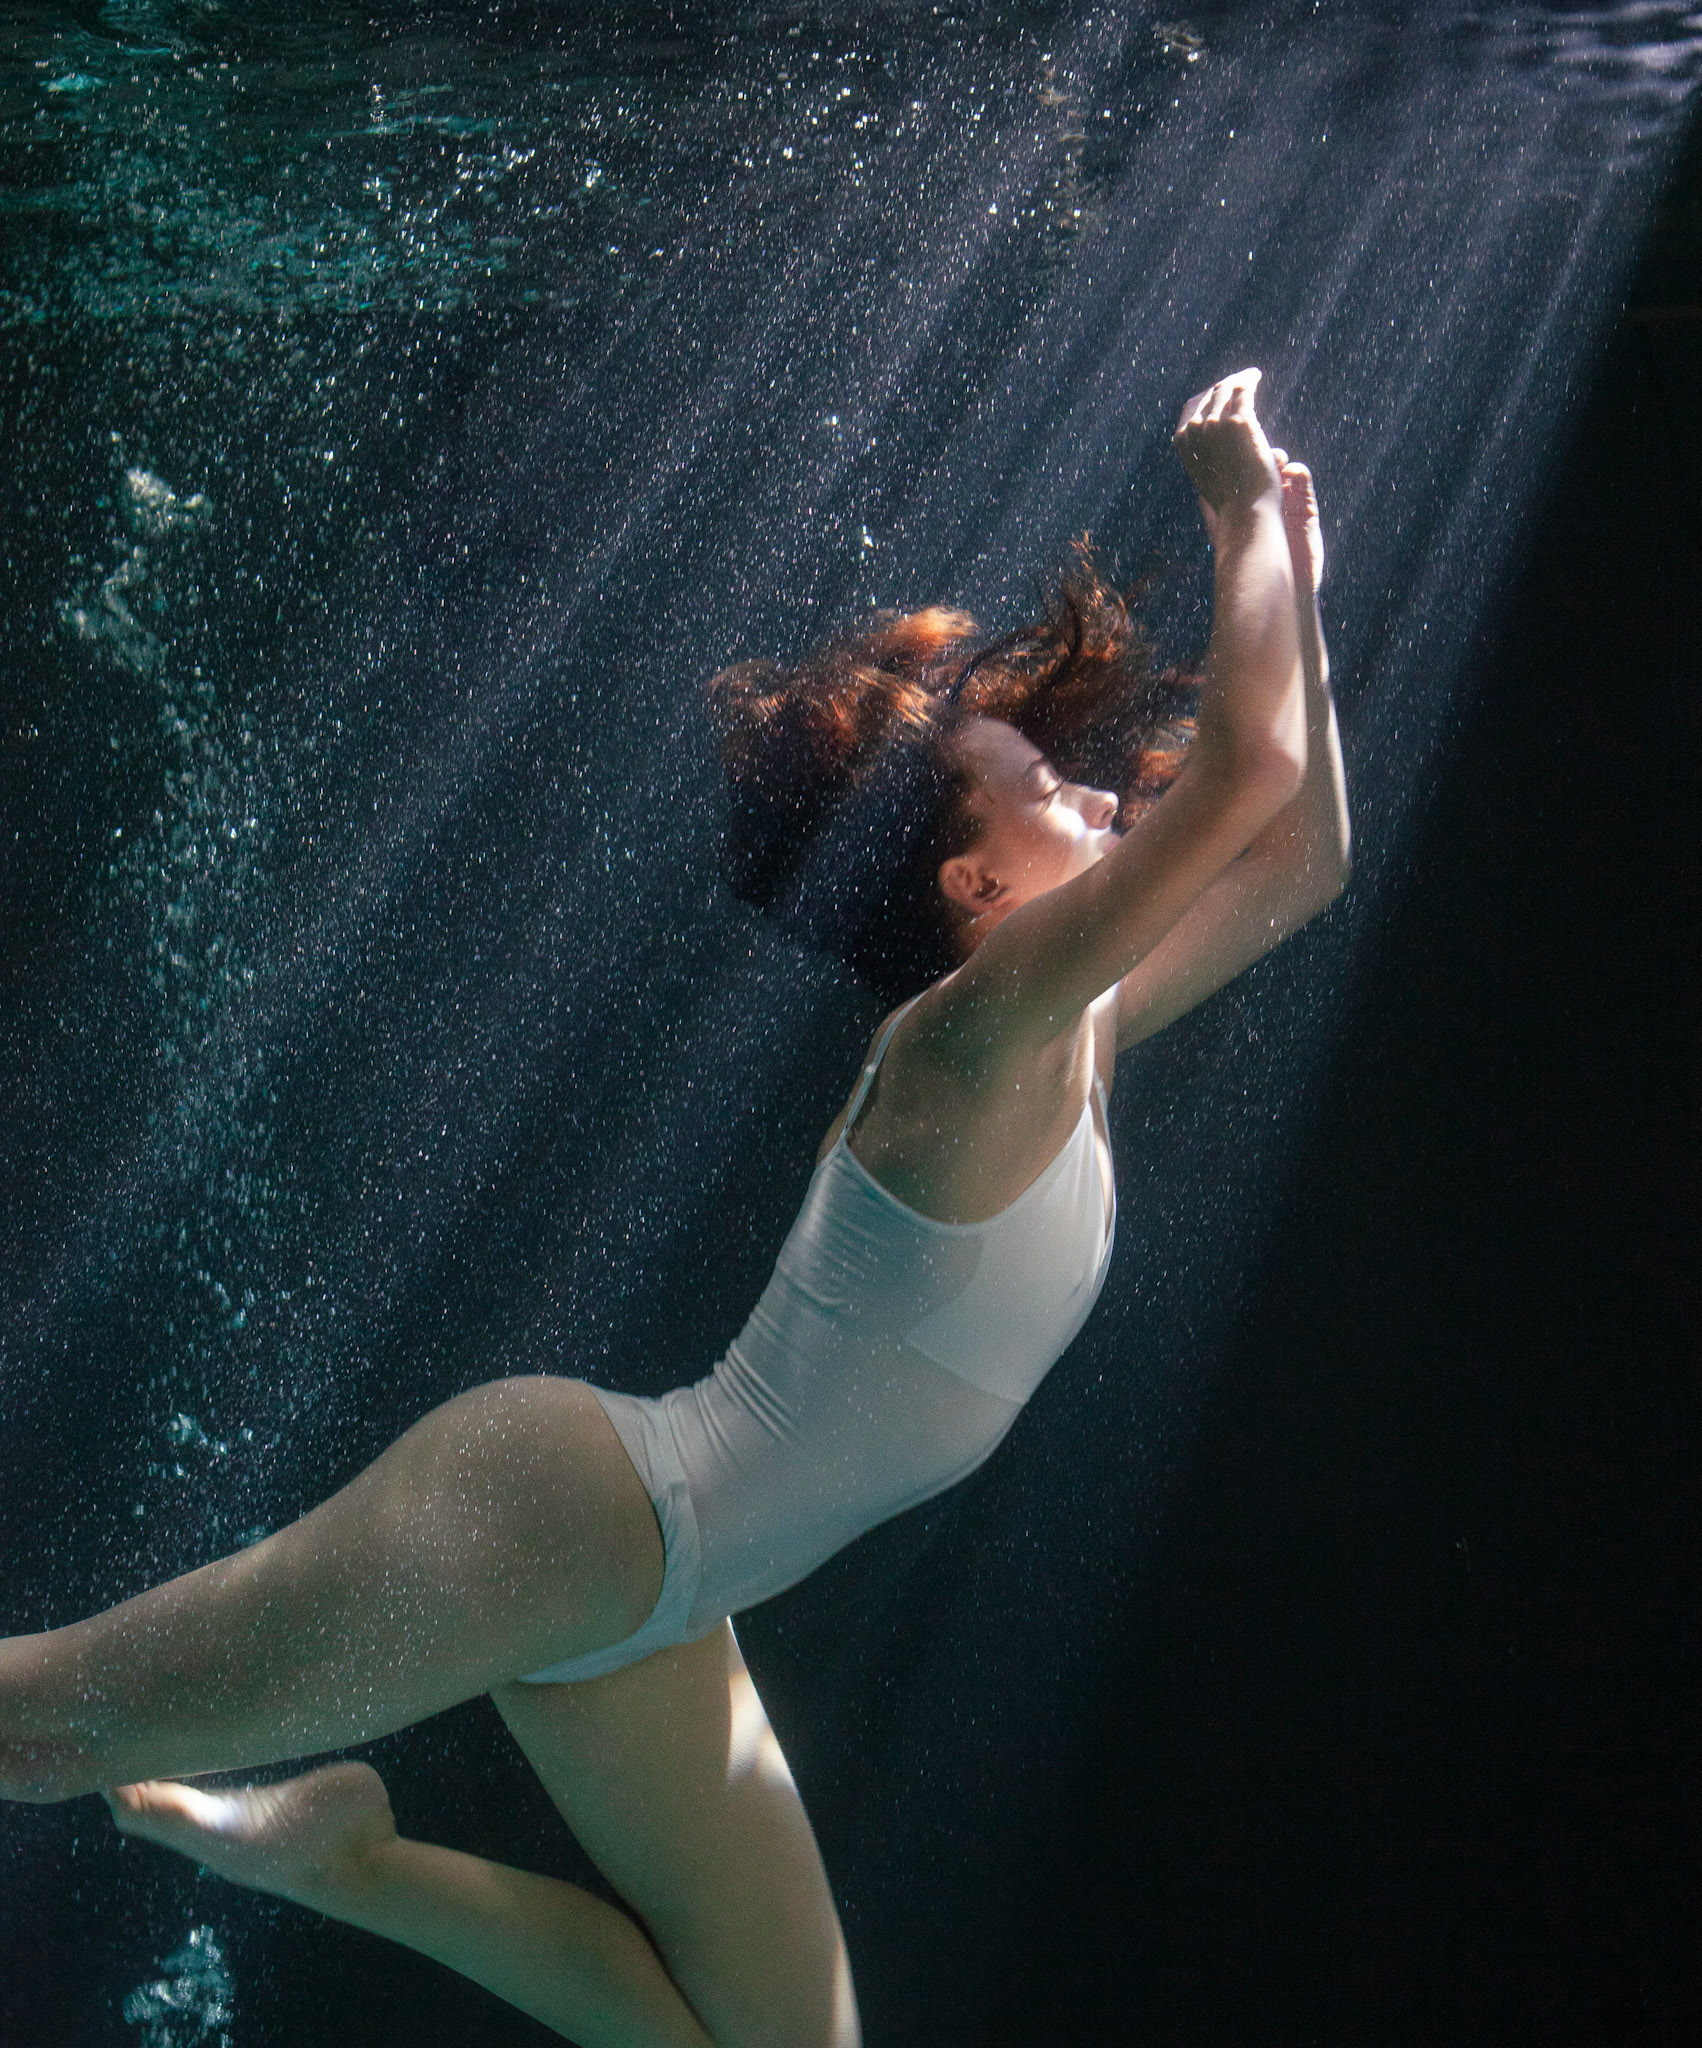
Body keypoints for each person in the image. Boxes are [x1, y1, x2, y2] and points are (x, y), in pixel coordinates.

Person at [0, 369, 1348, 2048]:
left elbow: (1298, 862)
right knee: (35, 1732)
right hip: (564, 1521)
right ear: (976, 885)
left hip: (652, 1594)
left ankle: (341, 1862)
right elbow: (1247, 779)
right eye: (1051, 789)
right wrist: (1236, 520)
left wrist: (1292, 564)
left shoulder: (1063, 1032)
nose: (1093, 797)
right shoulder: (971, 1039)